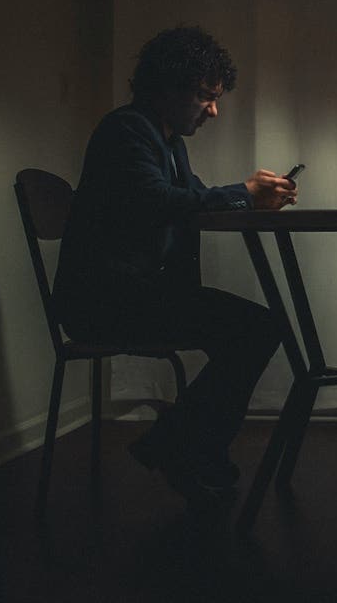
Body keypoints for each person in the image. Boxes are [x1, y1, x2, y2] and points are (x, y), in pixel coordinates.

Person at [52, 25, 298, 505]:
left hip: (132, 294)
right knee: (258, 328)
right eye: (206, 97)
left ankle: (181, 446)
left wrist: (250, 198)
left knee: (259, 327)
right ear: (167, 88)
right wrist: (243, 197)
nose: (213, 110)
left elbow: (191, 202)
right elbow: (159, 200)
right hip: (106, 302)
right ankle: (184, 447)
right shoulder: (126, 130)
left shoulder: (165, 142)